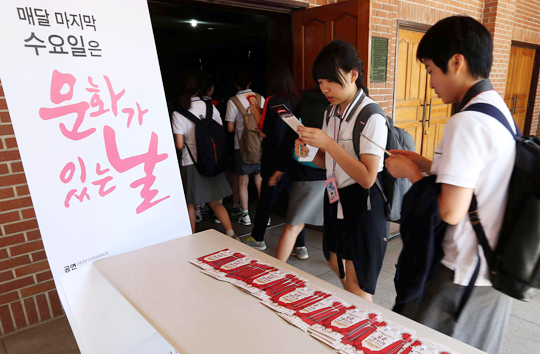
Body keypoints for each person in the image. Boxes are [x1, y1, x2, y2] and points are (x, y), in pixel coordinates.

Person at [384, 16, 514, 354]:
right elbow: (476, 178)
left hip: (462, 272)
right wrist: (424, 163)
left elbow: (451, 210)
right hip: (489, 268)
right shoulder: (495, 108)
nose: (430, 83)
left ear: (456, 61)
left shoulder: (466, 121)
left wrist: (408, 173)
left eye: (430, 70)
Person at [295, 40, 388, 301]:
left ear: (353, 74)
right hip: (335, 198)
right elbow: (328, 162)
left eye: (331, 81)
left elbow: (368, 177)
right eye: (320, 81)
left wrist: (328, 144)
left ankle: (364, 332)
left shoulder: (371, 116)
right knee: (336, 262)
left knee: (359, 284)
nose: (324, 88)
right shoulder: (330, 112)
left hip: (362, 205)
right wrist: (308, 153)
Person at [241, 63, 310, 258]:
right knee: (295, 204)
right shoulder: (297, 101)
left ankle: (258, 239)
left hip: (274, 160)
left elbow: (265, 133)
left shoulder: (272, 100)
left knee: (266, 201)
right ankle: (301, 246)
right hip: (294, 159)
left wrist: (255, 112)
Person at [171, 72, 236, 238]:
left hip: (190, 162)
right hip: (213, 159)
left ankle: (192, 236)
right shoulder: (210, 107)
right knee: (215, 201)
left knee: (190, 202)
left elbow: (179, 144)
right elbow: (220, 131)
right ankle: (230, 232)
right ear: (199, 89)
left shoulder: (178, 113)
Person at [225, 71, 265, 225]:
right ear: (250, 83)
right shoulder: (260, 98)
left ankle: (246, 216)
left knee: (243, 182)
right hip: (260, 145)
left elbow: (229, 128)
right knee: (260, 179)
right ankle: (264, 216)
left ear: (235, 84)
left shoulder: (233, 101)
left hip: (241, 147)